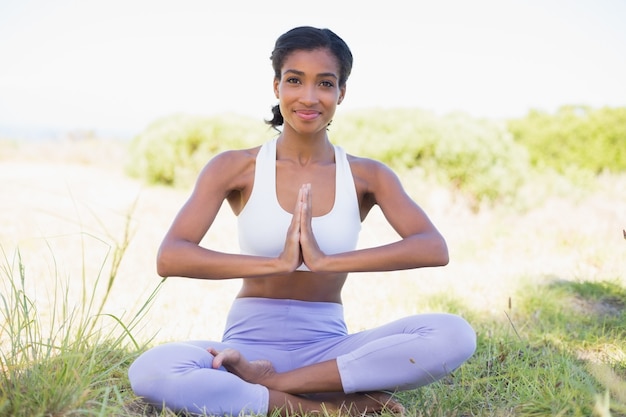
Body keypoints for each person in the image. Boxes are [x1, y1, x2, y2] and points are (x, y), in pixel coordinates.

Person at [128, 26, 476, 416]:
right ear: (276, 86)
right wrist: (275, 264)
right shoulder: (235, 167)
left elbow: (432, 247)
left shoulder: (367, 176)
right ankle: (325, 407)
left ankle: (271, 386)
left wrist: (327, 261)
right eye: (295, 80)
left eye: (325, 83)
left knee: (454, 334)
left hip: (329, 349)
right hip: (247, 344)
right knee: (152, 371)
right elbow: (171, 256)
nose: (308, 97)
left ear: (341, 93)